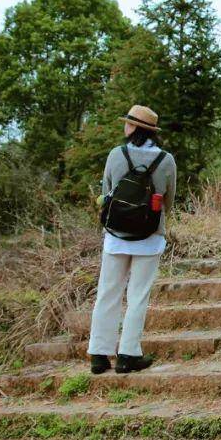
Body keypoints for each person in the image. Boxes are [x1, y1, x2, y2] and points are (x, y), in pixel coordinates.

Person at [87, 104, 176, 375]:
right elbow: (168, 201)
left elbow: (106, 193)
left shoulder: (117, 154)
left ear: (133, 127)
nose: (124, 126)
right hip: (149, 238)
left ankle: (99, 355)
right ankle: (127, 355)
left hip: (115, 237)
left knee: (108, 293)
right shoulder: (166, 160)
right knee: (137, 296)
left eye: (127, 122)